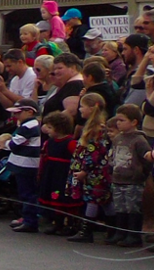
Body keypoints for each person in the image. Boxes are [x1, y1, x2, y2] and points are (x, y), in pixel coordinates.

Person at [66, 93, 111, 243]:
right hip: (90, 170)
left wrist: (85, 170)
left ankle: (87, 230)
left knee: (94, 198)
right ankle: (112, 228)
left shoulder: (98, 130)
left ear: (92, 108)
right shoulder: (89, 127)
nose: (80, 109)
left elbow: (95, 153)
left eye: (82, 106)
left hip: (95, 172)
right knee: (101, 200)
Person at [107, 104, 150, 246]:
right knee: (120, 207)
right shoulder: (118, 138)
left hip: (133, 181)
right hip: (118, 178)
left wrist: (141, 173)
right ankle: (120, 232)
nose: (118, 123)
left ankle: (134, 235)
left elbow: (146, 158)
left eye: (122, 120)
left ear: (134, 122)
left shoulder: (139, 140)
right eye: (117, 120)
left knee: (132, 207)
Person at [38, 111, 80, 236]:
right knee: (54, 199)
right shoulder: (49, 142)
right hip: (51, 174)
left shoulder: (70, 143)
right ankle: (58, 223)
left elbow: (77, 159)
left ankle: (70, 224)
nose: (47, 130)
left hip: (63, 174)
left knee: (65, 199)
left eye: (50, 127)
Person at [6, 99, 42, 233]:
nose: (16, 116)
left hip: (26, 165)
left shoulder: (28, 126)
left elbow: (13, 145)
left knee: (28, 193)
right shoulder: (26, 125)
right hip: (21, 163)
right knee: (24, 192)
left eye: (19, 113)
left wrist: (6, 143)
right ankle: (26, 217)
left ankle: (30, 221)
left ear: (29, 112)